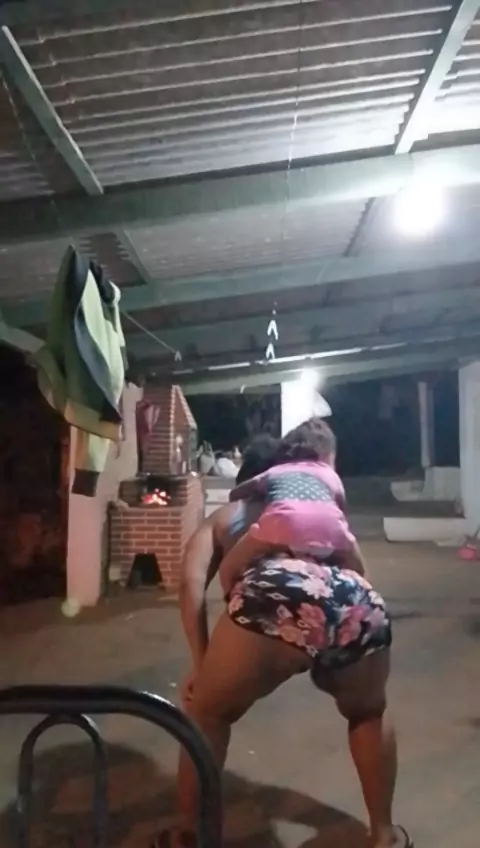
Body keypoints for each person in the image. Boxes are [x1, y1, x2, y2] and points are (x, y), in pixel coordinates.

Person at [163, 426, 411, 848]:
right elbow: (356, 565)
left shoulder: (227, 516)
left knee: (208, 713)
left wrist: (202, 664)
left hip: (271, 598)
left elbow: (190, 586)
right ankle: (384, 834)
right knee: (369, 713)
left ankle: (188, 834)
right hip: (352, 599)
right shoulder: (318, 504)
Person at [218, 418, 366, 596]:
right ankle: (361, 596)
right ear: (328, 457)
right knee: (359, 568)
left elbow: (240, 490)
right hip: (329, 533)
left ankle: (231, 599)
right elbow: (340, 508)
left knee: (229, 566)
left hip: (279, 528)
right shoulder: (331, 475)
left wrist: (240, 499)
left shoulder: (275, 471)